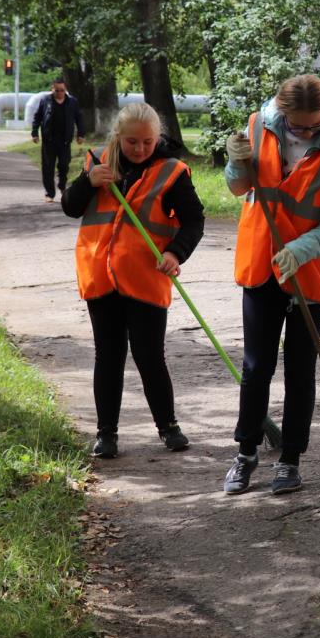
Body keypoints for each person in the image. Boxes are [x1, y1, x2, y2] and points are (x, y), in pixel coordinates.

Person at [221, 74, 320, 496]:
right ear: (282, 114)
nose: (305, 132)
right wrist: (236, 163)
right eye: (297, 125)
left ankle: (290, 459)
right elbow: (238, 188)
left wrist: (302, 250)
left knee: (301, 367)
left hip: (308, 269)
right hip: (262, 264)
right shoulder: (258, 128)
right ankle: (246, 453)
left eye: (313, 125)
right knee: (255, 366)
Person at [63, 103, 204, 459]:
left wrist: (175, 253)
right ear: (117, 137)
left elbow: (193, 221)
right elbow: (71, 206)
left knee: (149, 356)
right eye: (131, 142)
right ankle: (106, 434)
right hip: (100, 277)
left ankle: (168, 427)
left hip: (145, 278)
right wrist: (87, 182)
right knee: (108, 356)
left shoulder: (171, 172)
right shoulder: (97, 162)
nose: (140, 149)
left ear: (157, 138)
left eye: (147, 142)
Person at [32, 76, 85, 202]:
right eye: (57, 90)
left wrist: (81, 134)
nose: (59, 93)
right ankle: (49, 193)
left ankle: (62, 185)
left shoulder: (72, 102)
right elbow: (37, 117)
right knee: (48, 167)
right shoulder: (45, 100)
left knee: (64, 165)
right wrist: (34, 133)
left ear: (65, 89)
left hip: (65, 140)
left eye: (62, 90)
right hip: (48, 140)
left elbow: (79, 118)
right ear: (52, 89)